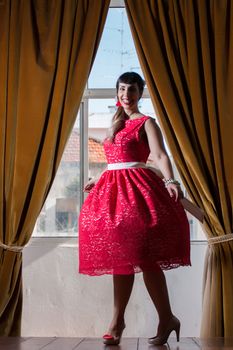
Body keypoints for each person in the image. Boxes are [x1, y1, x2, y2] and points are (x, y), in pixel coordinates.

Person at [79, 72, 190, 346]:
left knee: (143, 255)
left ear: (140, 93)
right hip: (112, 192)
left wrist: (172, 180)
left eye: (131, 90)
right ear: (117, 93)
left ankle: (165, 318)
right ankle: (119, 322)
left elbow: (161, 155)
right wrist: (99, 176)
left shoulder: (147, 122)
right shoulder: (114, 124)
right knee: (122, 256)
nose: (125, 94)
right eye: (121, 89)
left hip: (137, 193)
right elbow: (116, 160)